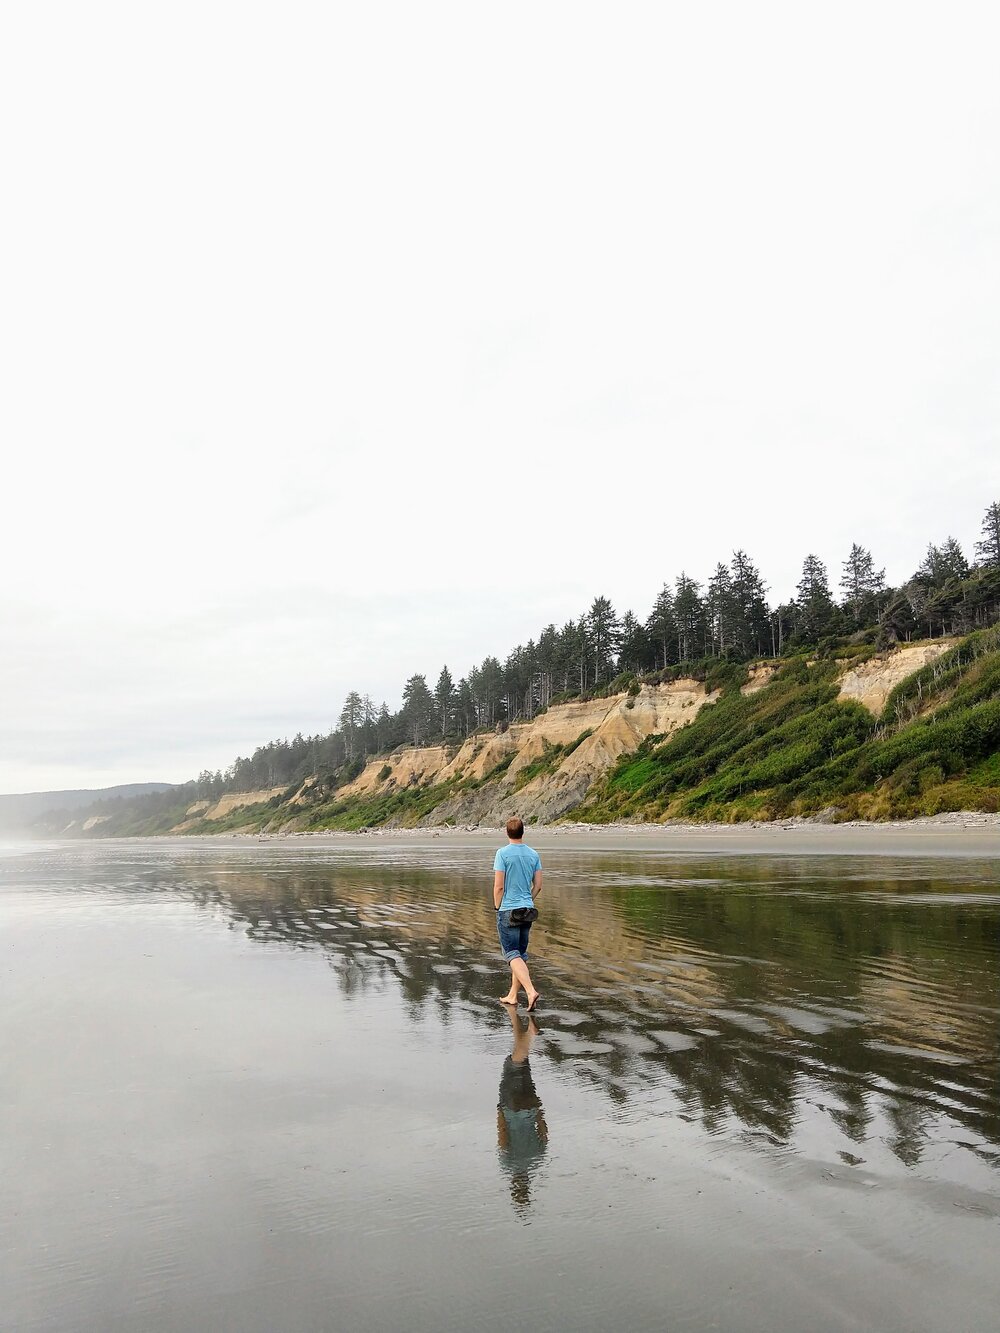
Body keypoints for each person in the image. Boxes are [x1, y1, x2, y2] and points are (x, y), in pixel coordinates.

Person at [496, 1006, 547, 1215]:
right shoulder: (506, 1163)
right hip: (512, 1107)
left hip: (529, 1106)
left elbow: (543, 1132)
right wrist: (500, 1111)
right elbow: (503, 1136)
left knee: (521, 1064)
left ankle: (515, 1016)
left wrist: (538, 1108)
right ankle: (530, 1034)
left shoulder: (537, 1158)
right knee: (514, 1064)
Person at [493, 816, 542, 1010]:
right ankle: (513, 995)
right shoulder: (533, 854)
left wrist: (498, 906)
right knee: (520, 954)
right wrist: (528, 899)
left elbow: (498, 886)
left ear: (507, 833)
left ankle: (530, 991)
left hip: (508, 910)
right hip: (527, 909)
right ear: (523, 832)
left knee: (511, 954)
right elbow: (538, 885)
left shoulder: (502, 854)